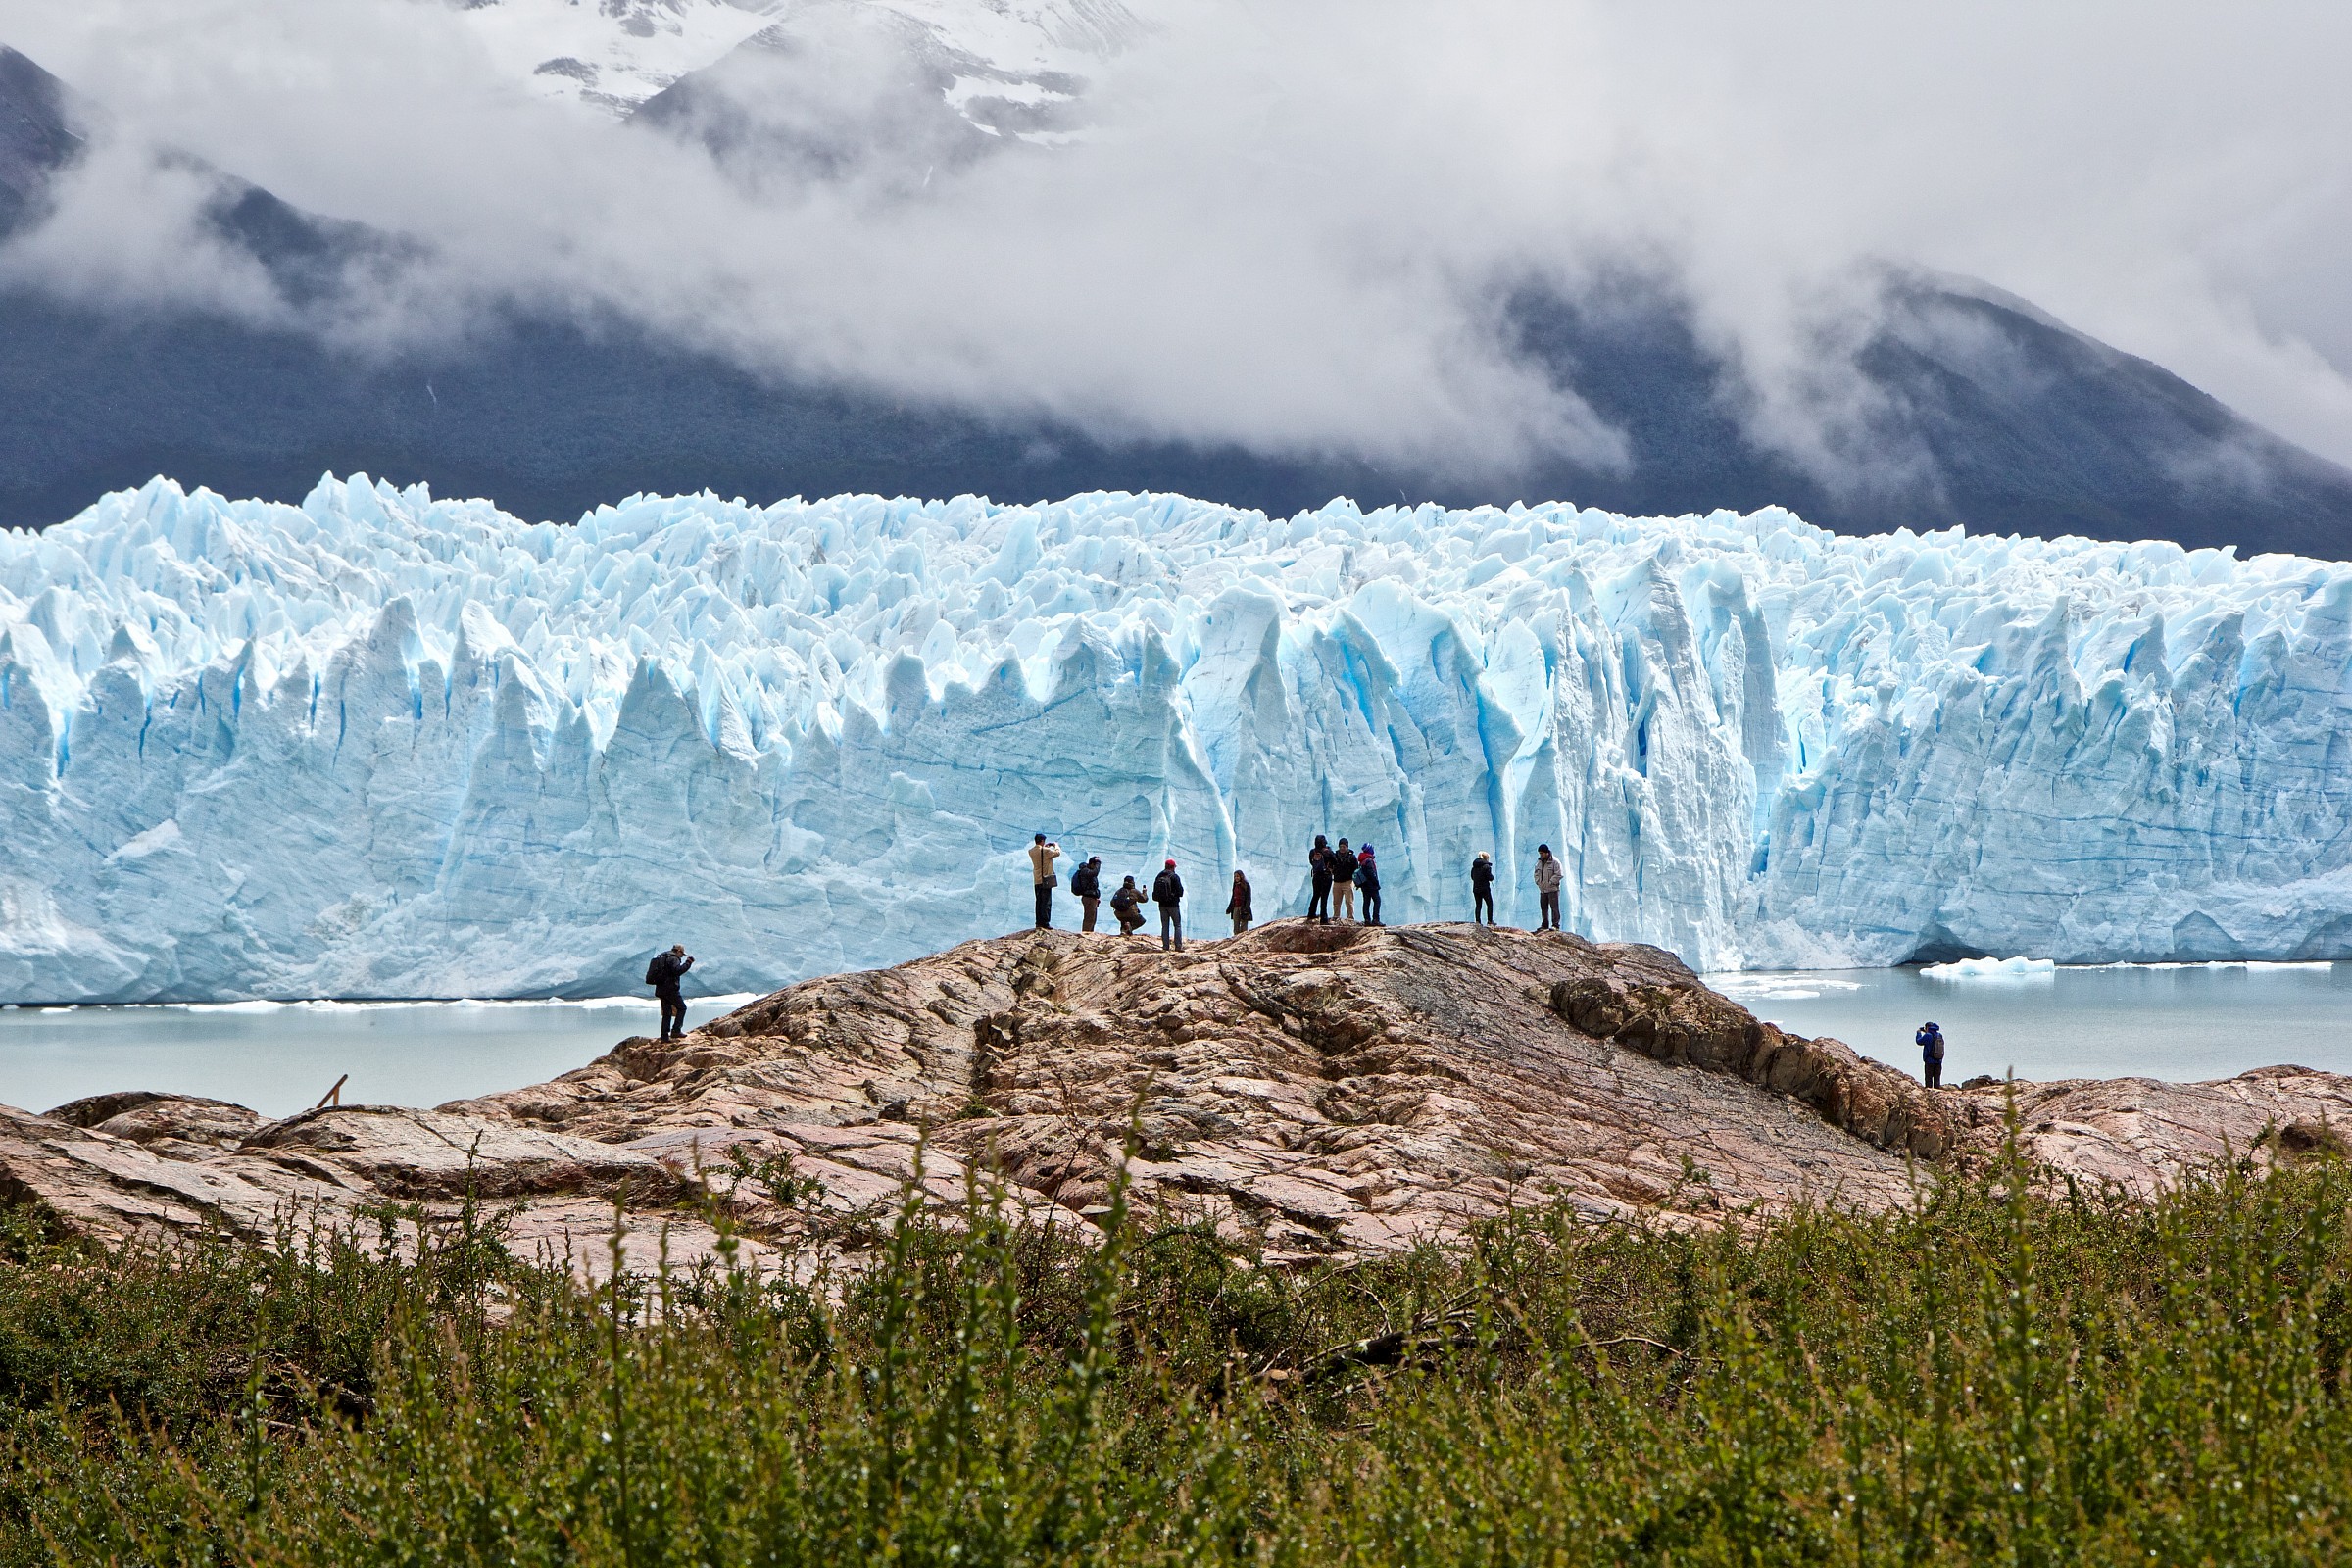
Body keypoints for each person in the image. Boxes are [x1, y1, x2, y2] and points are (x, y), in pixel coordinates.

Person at [645, 943, 694, 1041]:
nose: (682, 956)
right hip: (671, 990)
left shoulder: (663, 957)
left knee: (667, 1013)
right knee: (682, 1008)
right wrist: (688, 963)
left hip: (660, 990)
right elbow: (677, 971)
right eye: (682, 954)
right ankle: (676, 1030)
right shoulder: (674, 958)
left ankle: (664, 1036)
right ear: (679, 951)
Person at [1027, 833, 1061, 930]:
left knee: (1038, 901)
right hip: (1045, 879)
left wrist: (1044, 848)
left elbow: (1040, 852)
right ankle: (1045, 923)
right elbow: (1057, 853)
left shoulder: (1031, 851)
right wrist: (1056, 845)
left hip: (1037, 880)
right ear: (1042, 841)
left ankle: (1038, 922)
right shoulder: (1046, 851)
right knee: (1046, 902)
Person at [1152, 858, 1186, 951]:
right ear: (1173, 867)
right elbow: (1180, 892)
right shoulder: (1174, 877)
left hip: (1162, 905)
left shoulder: (1159, 876)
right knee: (1177, 925)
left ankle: (1165, 946)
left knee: (1165, 925)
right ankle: (1178, 946)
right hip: (1173, 905)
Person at [1532, 844, 1563, 932]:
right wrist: (1538, 882)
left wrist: (1551, 882)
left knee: (1554, 907)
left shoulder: (1555, 862)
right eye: (1539, 853)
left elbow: (1559, 874)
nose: (1540, 855)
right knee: (1544, 908)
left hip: (1553, 889)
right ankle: (1545, 924)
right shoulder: (1539, 862)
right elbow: (1536, 873)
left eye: (1541, 853)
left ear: (1546, 852)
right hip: (1543, 890)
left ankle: (1555, 925)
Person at [1071, 856, 1103, 933]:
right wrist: (1098, 863)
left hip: (1092, 898)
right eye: (1095, 865)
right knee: (1089, 918)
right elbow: (1094, 873)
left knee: (1092, 918)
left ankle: (1089, 933)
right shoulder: (1085, 871)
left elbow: (1093, 885)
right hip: (1088, 898)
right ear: (1092, 864)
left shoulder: (1088, 871)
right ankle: (1086, 934)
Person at [1354, 842, 1383, 925]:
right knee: (1377, 901)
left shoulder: (1362, 860)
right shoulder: (1369, 860)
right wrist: (1376, 883)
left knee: (1366, 902)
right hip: (1371, 885)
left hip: (1364, 886)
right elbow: (1371, 873)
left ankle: (1367, 920)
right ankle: (1376, 919)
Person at [1331, 838, 1358, 922]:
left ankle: (1350, 918)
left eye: (1343, 846)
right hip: (1337, 882)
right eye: (1340, 846)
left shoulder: (1352, 857)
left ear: (1347, 847)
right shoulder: (1334, 856)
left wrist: (1356, 881)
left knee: (1349, 901)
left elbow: (1356, 870)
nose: (1342, 848)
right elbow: (1330, 866)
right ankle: (1336, 917)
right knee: (1336, 902)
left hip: (1348, 882)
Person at [1307, 835, 1334, 922]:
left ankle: (1311, 914)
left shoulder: (1312, 852)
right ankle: (1324, 918)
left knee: (1316, 895)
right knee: (1324, 897)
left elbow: (1311, 862)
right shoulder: (1328, 852)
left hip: (1316, 876)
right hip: (1326, 876)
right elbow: (1335, 861)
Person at [1917, 1020, 1946, 1089]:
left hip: (1929, 1061)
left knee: (1928, 1079)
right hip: (1938, 1060)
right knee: (1937, 1079)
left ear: (1927, 1027)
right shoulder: (1939, 1035)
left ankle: (1929, 1093)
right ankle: (1937, 1093)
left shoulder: (1927, 1035)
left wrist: (1918, 1033)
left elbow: (1919, 1041)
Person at [1470, 852, 1495, 925]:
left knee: (1478, 905)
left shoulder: (1474, 867)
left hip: (1476, 889)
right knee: (1489, 904)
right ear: (1486, 858)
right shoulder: (1486, 867)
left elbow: (1472, 877)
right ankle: (1490, 921)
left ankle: (1477, 922)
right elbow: (1490, 877)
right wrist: (1491, 877)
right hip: (1484, 889)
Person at [1227, 869, 1253, 935]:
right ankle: (1236, 940)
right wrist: (1229, 909)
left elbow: (1248, 898)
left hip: (1243, 908)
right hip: (1236, 908)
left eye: (1237, 876)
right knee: (1236, 926)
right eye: (1235, 876)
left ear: (1241, 876)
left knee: (1243, 926)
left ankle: (1243, 939)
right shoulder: (1235, 885)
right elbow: (1233, 897)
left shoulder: (1246, 885)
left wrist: (1246, 908)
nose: (1236, 878)